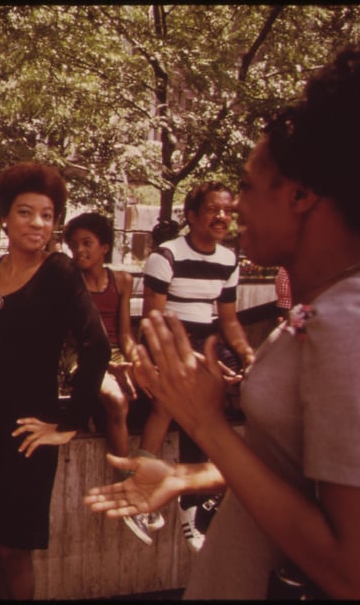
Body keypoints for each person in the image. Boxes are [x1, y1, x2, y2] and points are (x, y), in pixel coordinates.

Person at [85, 40, 360, 600]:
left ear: (303, 196)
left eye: (251, 189)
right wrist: (192, 476)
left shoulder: (358, 325)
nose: (236, 211)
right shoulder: (329, 306)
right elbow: (305, 476)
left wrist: (207, 426)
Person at [0, 162, 110, 600]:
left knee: (14, 549)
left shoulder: (60, 272)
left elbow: (98, 347)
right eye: (25, 212)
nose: (37, 223)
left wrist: (68, 424)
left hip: (28, 430)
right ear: (3, 216)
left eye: (47, 214)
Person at [122, 181, 256, 550]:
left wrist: (248, 355)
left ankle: (199, 499)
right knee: (174, 397)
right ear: (192, 216)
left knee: (256, 391)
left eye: (228, 211)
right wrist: (196, 359)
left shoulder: (229, 260)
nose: (222, 217)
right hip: (166, 336)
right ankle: (146, 489)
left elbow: (228, 320)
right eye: (213, 209)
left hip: (206, 339)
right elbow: (154, 319)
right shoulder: (165, 256)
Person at [62, 212, 139, 456]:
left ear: (104, 247)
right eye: (74, 245)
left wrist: (138, 363)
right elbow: (73, 337)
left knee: (163, 392)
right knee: (117, 401)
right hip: (82, 355)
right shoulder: (69, 283)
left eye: (87, 243)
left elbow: (126, 335)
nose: (79, 250)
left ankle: (148, 461)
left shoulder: (122, 281)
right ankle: (127, 477)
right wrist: (106, 367)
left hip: (116, 353)